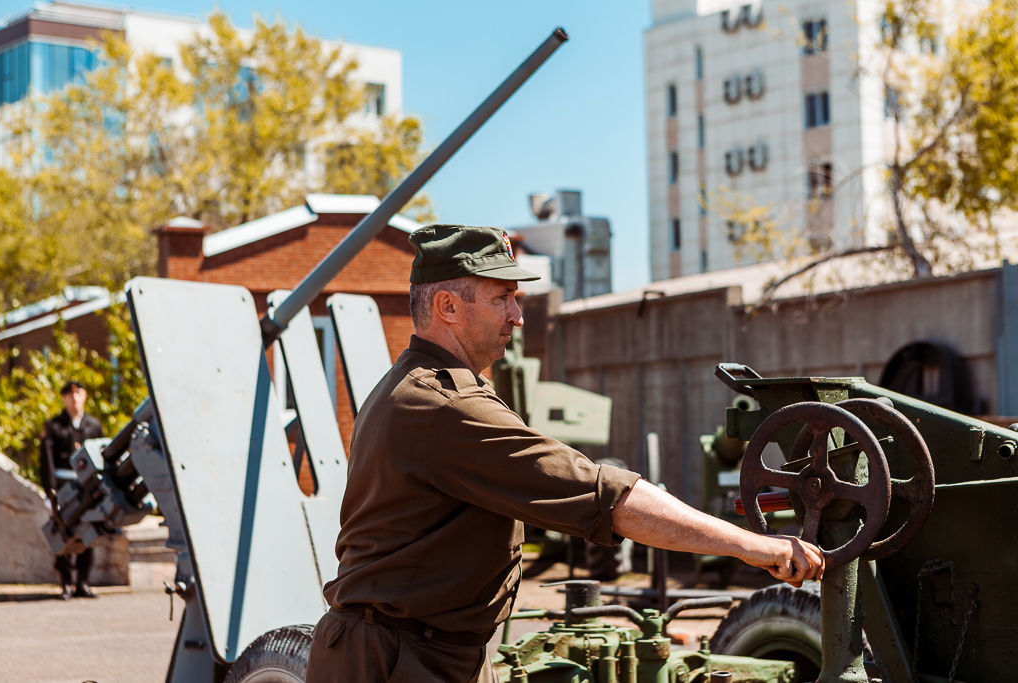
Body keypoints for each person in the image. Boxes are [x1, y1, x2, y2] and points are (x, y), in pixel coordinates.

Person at [305, 225, 824, 683]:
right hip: (400, 659)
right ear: (448, 307)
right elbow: (604, 496)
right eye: (502, 298)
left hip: (422, 649)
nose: (518, 316)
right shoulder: (444, 406)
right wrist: (755, 546)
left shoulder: (410, 385)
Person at [40, 379, 104, 600]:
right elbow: (46, 462)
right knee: (63, 532)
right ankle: (66, 583)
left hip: (88, 489)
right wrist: (51, 492)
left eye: (78, 394)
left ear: (84, 396)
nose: (74, 398)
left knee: (89, 532)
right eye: (69, 395)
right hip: (63, 488)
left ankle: (83, 582)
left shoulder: (93, 426)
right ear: (63, 398)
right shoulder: (54, 426)